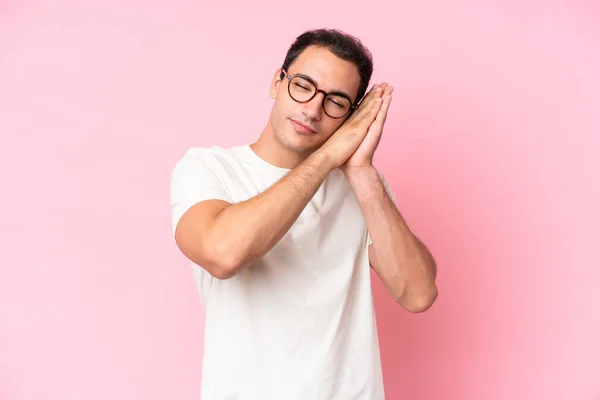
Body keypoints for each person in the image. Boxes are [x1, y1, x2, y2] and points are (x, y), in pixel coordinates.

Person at [170, 28, 438, 400]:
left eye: (336, 102)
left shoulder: (363, 188)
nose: (313, 109)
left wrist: (360, 171)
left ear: (351, 117)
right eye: (303, 86)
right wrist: (327, 156)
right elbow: (223, 253)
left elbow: (418, 293)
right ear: (277, 83)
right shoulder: (209, 168)